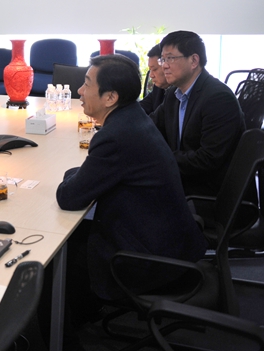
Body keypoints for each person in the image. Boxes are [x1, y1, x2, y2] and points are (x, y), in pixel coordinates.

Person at [54, 55, 207, 345]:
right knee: (77, 235)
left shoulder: (116, 136)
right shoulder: (133, 118)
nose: (80, 91)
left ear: (110, 97)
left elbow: (69, 197)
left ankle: (65, 339)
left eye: (87, 84)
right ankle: (86, 312)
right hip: (171, 242)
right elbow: (91, 178)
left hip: (152, 261)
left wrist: (72, 175)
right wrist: (82, 174)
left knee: (56, 255)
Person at [152, 30, 244, 196]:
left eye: (170, 58)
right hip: (183, 181)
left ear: (194, 60)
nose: (164, 65)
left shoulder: (218, 98)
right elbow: (150, 127)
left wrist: (160, 159)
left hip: (210, 193)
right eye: (163, 59)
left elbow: (207, 159)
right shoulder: (174, 95)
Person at [139, 43, 169, 116]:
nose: (151, 75)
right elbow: (140, 108)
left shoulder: (180, 93)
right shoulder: (159, 88)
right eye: (150, 70)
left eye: (154, 69)